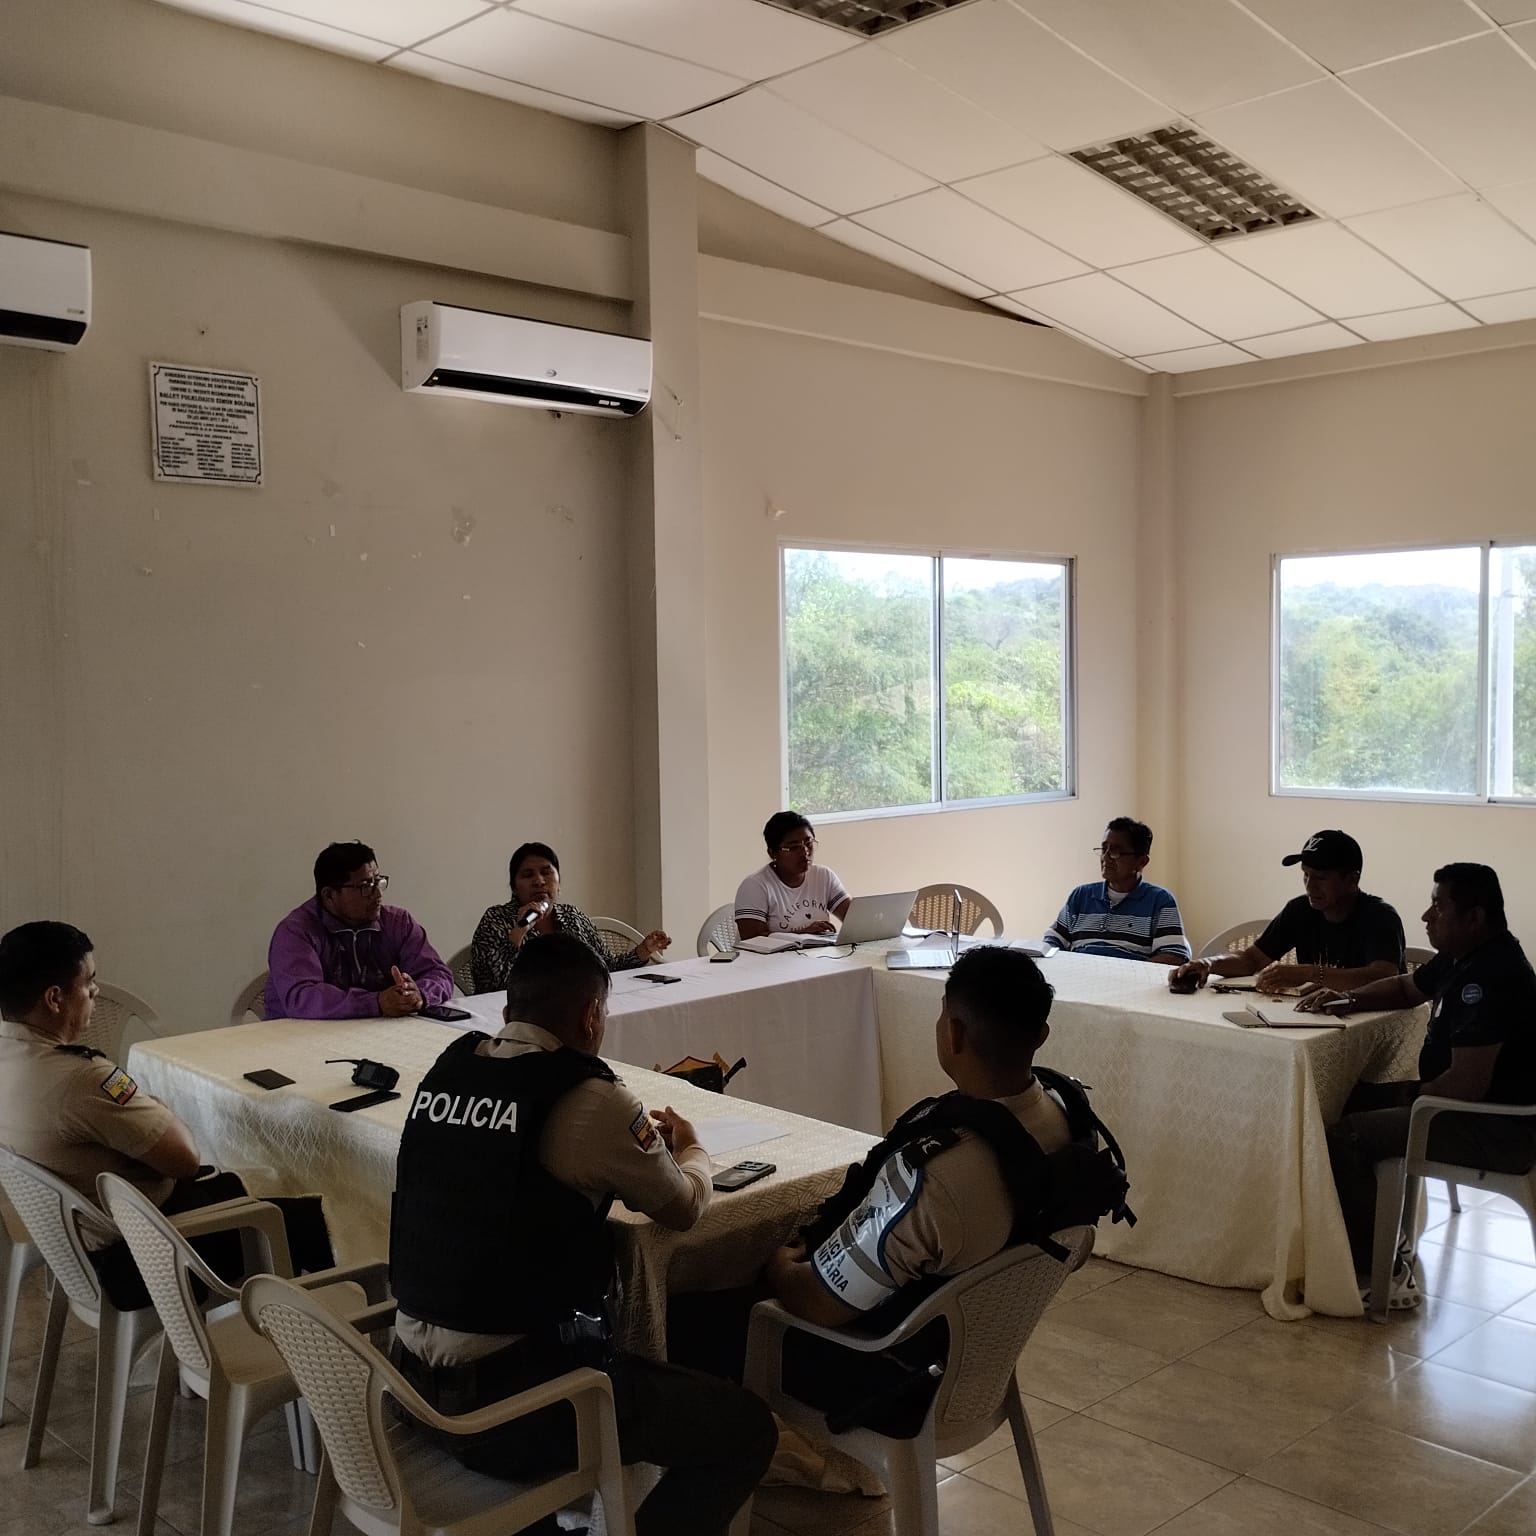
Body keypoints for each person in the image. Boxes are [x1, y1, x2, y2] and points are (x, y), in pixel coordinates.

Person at [390, 934, 775, 1536]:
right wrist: (692, 1148)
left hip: (406, 1388)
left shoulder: (448, 1071)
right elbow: (683, 1208)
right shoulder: (590, 1098)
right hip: (511, 1412)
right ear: (593, 1014)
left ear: (508, 1008)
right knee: (745, 1429)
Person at [669, 947, 1129, 1435]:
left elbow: (819, 1303)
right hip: (974, 1360)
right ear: (1041, 1035)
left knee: (679, 1320)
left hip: (892, 1376)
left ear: (953, 1032)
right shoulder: (1067, 1119)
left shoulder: (941, 1176)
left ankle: (738, 1459)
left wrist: (780, 1268)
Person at [0, 921, 334, 1309]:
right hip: (148, 1254)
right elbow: (184, 1160)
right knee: (316, 1214)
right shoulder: (82, 1079)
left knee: (248, 1182)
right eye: (88, 982)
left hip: (86, 1251)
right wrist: (159, 1108)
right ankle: (330, 1328)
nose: (95, 992)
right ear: (55, 998)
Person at [1299, 864, 1536, 1310]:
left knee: (1344, 1136)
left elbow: (1466, 1085)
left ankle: (1381, 1269)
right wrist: (1349, 999)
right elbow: (1408, 988)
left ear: (1474, 917)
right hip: (1460, 1105)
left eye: (1438, 907)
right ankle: (1372, 1235)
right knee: (1343, 1097)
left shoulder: (1491, 976)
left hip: (1491, 1127)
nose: (1426, 916)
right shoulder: (1466, 956)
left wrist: (1405, 1096)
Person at [1170, 829, 1404, 994]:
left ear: (1352, 880)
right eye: (1305, 874)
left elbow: (1384, 977)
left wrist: (1309, 973)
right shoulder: (1300, 910)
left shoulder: (1380, 917)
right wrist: (1207, 963)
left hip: (1376, 1024)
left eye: (1321, 877)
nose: (1310, 885)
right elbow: (1251, 959)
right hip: (1320, 1016)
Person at [265, 841, 454, 1019]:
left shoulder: (398, 923)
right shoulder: (296, 932)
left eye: (378, 881)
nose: (377, 894)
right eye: (365, 886)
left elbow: (439, 973)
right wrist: (376, 1002)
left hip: (377, 1032)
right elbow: (302, 997)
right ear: (329, 895)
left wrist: (419, 994)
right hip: (301, 1035)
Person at [469, 842, 669, 994]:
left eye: (546, 873)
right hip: (517, 1016)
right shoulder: (495, 920)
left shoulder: (573, 916)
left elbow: (606, 968)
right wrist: (518, 932)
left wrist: (644, 950)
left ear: (559, 882)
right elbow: (490, 988)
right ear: (514, 887)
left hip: (573, 1010)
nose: (539, 881)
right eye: (528, 875)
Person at [1044, 817, 1191, 965]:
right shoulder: (1081, 895)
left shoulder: (1160, 900)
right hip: (1078, 974)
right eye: (1104, 849)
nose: (1105, 857)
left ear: (1141, 862)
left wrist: (1129, 971)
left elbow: (1174, 955)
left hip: (1130, 977)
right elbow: (1052, 941)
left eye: (1115, 851)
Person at [733, 812, 851, 940]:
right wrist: (803, 934)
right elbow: (752, 939)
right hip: (772, 954)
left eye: (809, 843)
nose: (805, 852)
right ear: (773, 853)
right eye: (794, 847)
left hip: (819, 952)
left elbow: (854, 918)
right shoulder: (755, 886)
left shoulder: (823, 876)